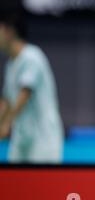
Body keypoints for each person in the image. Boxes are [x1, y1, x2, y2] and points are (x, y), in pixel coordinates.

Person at [0, 15, 64, 164]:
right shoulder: (11, 64)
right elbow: (7, 101)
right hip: (21, 138)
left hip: (43, 140)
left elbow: (24, 94)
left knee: (43, 186)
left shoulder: (32, 56)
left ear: (10, 32)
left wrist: (6, 123)